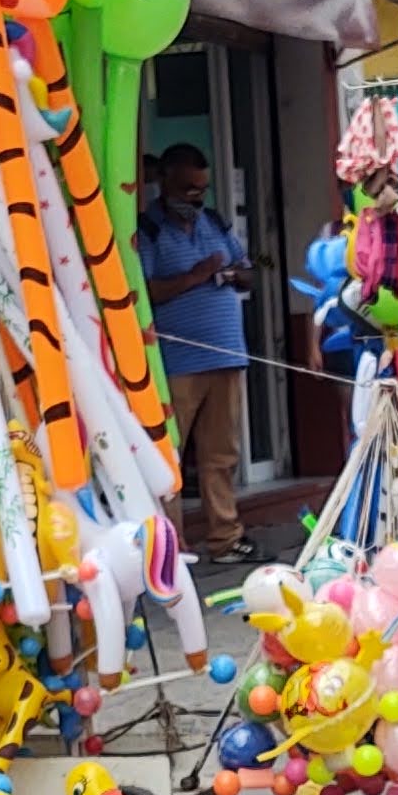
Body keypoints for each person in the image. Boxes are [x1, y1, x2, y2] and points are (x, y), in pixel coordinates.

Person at [143, 144, 257, 564]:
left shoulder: (214, 221)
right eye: (189, 188)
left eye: (202, 188)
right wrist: (197, 275)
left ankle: (225, 539)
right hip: (178, 361)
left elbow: (249, 271)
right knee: (170, 455)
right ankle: (172, 547)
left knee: (221, 455)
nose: (197, 197)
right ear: (166, 182)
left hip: (227, 353)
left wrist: (235, 273)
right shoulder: (150, 229)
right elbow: (146, 290)